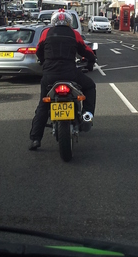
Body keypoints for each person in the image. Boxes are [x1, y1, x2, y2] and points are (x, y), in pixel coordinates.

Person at [28, 9, 97, 151]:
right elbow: (86, 51)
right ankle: (87, 115)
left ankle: (35, 139)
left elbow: (39, 51)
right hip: (70, 73)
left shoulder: (46, 33)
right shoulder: (74, 34)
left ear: (53, 22)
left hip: (49, 75)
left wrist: (43, 61)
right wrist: (91, 60)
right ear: (69, 22)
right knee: (89, 86)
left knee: (43, 104)